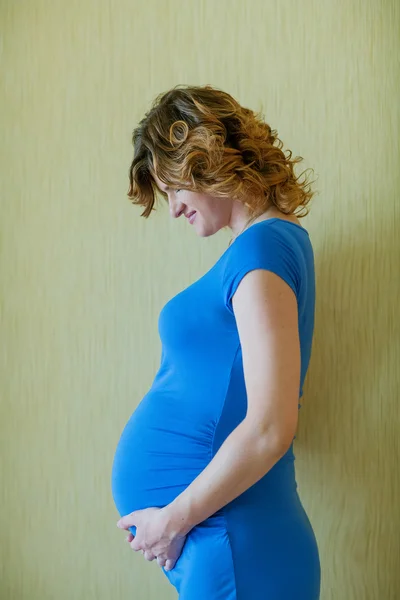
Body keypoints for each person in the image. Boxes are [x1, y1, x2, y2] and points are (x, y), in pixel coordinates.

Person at [111, 84, 321, 599]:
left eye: (174, 189)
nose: (174, 210)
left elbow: (273, 425)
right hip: (227, 543)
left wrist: (172, 520)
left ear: (206, 157)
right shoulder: (260, 248)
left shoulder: (264, 247)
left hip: (235, 546)